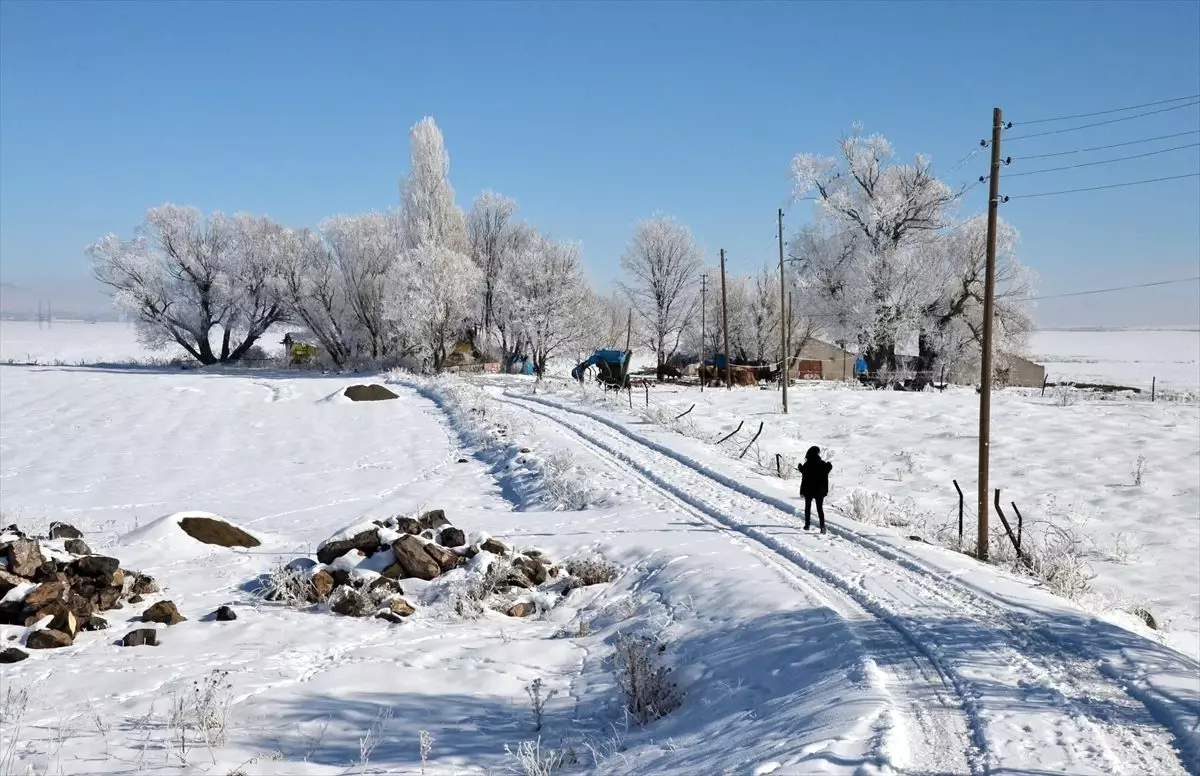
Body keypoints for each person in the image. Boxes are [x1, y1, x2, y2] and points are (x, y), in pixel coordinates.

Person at [797, 446, 832, 533]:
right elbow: (827, 470)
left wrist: (801, 468)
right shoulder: (822, 463)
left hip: (808, 489)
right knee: (820, 509)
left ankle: (807, 525)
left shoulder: (807, 464)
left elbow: (804, 478)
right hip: (820, 490)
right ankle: (822, 527)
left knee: (807, 508)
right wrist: (829, 466)